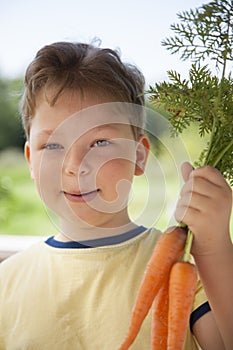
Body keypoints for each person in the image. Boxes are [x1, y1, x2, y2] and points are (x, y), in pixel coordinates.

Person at [0, 41, 232, 350]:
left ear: (139, 157)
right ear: (31, 160)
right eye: (53, 145)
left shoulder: (187, 270)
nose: (75, 166)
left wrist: (215, 247)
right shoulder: (7, 283)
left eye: (99, 143)